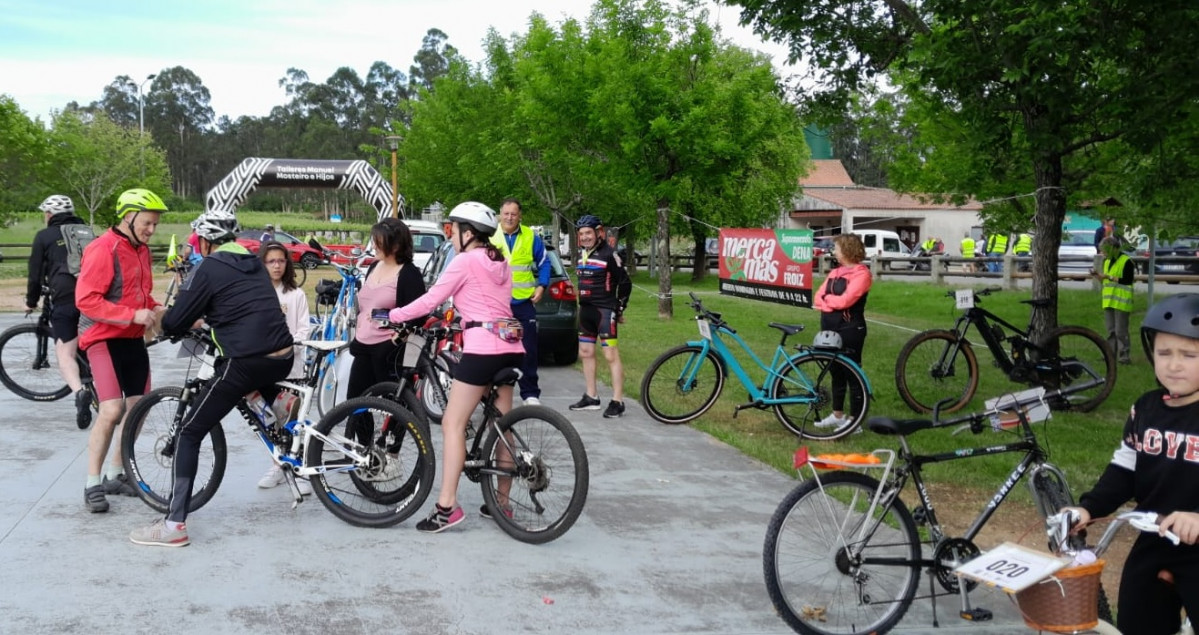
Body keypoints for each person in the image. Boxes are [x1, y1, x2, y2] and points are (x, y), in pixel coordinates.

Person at [129, 210, 295, 547]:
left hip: (248, 360)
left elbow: (176, 320)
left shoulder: (208, 266)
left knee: (190, 432)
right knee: (239, 384)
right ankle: (277, 401)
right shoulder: (252, 261)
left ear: (205, 241)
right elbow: (239, 305)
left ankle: (174, 526)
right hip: (282, 356)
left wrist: (170, 321)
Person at [1062, 294, 1199, 634]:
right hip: (1155, 540)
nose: (1174, 364)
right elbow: (1124, 471)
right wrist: (1088, 509)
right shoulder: (1145, 409)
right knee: (1137, 618)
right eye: (1164, 353)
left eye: (1189, 355)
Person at [387, 202, 524, 533]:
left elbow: (431, 299)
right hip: (511, 346)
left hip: (482, 350)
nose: (450, 236)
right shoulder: (499, 260)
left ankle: (446, 507)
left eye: (452, 230)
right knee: (501, 425)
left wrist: (393, 315)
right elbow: (488, 302)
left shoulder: (465, 260)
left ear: (467, 233)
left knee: (452, 423)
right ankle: (501, 505)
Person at [75, 188, 168, 513]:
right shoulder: (103, 249)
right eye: (146, 223)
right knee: (112, 409)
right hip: (102, 338)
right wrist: (131, 315)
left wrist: (156, 309)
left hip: (132, 339)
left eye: (155, 224)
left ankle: (116, 472)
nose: (151, 230)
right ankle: (92, 482)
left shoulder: (140, 250)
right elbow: (86, 300)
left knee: (138, 407)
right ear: (128, 217)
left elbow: (140, 294)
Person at [343, 218, 426, 450]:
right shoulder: (372, 266)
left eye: (380, 242)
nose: (375, 246)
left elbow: (418, 313)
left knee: (396, 404)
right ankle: (366, 450)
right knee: (356, 402)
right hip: (363, 344)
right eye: (374, 241)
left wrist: (396, 337)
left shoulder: (408, 274)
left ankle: (391, 450)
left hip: (390, 350)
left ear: (396, 245)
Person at [25, 194, 92, 429]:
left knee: (65, 352)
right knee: (93, 343)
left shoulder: (44, 236)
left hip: (65, 296)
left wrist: (31, 301)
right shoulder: (88, 232)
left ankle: (80, 391)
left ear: (49, 214)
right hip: (94, 296)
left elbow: (34, 274)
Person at [255, 241, 314, 492]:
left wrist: (287, 350)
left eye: (281, 261)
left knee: (292, 419)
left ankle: (300, 468)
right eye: (271, 261)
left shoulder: (296, 294)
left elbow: (303, 330)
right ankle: (278, 465)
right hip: (263, 367)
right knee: (269, 420)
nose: (277, 266)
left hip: (291, 367)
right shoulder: (256, 293)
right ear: (263, 264)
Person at [569, 214, 632, 418]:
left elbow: (625, 283)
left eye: (588, 233)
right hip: (586, 310)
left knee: (610, 355)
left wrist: (619, 308)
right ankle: (591, 397)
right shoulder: (581, 254)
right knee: (585, 352)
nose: (585, 237)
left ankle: (617, 401)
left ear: (599, 233)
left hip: (604, 310)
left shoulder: (610, 254)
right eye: (582, 234)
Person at [491, 198, 550, 406]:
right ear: (500, 214)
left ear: (520, 216)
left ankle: (530, 394)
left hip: (523, 304)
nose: (509, 217)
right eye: (505, 213)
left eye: (513, 214)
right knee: (495, 350)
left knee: (528, 350)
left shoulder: (530, 237)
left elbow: (544, 263)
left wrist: (542, 285)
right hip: (497, 305)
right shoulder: (490, 235)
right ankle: (493, 392)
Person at [811, 234, 872, 429]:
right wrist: (829, 302)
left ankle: (855, 422)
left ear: (847, 250)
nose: (834, 251)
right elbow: (817, 297)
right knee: (835, 371)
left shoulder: (862, 274)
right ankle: (838, 415)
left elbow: (847, 300)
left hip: (850, 328)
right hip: (830, 327)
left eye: (836, 248)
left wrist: (827, 302)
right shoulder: (835, 272)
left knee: (852, 373)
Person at [1095, 236, 1134, 364]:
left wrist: (1109, 277)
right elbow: (1105, 279)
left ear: (1112, 248)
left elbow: (1127, 280)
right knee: (1110, 330)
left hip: (1122, 301)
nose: (1103, 253)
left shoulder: (1126, 261)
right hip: (1109, 300)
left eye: (1105, 250)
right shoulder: (1106, 261)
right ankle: (1110, 354)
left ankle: (1124, 356)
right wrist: (1098, 276)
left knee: (1121, 331)